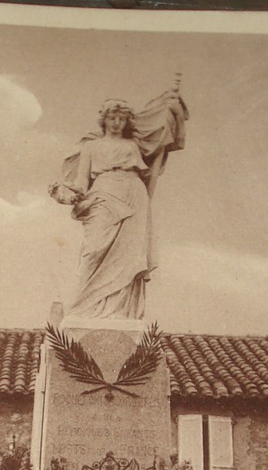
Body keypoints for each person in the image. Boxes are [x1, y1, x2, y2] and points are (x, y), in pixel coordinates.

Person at [49, 88, 188, 319]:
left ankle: (120, 313)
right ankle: (82, 308)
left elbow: (153, 158)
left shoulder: (132, 147)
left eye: (122, 119)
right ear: (103, 120)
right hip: (104, 193)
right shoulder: (90, 147)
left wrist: (169, 120)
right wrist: (66, 193)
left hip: (133, 194)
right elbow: (82, 182)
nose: (117, 123)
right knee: (94, 250)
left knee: (128, 255)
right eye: (112, 118)